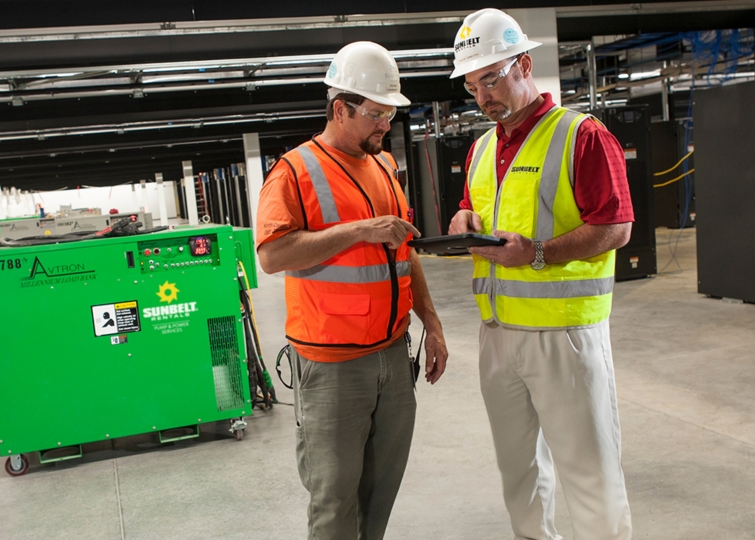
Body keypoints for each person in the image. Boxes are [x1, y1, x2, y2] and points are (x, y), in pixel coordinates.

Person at [446, 9, 634, 540]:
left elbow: (616, 227)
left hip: (565, 335)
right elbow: (472, 208)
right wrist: (464, 221)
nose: (483, 96)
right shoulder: (482, 147)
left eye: (492, 78)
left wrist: (538, 253)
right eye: (473, 85)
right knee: (519, 474)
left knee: (589, 473)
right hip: (498, 333)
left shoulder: (582, 135)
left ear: (524, 65)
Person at [255, 41, 448, 540]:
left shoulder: (384, 167)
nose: (386, 125)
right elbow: (273, 256)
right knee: (334, 497)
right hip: (331, 367)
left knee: (380, 490)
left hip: (391, 355)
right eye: (376, 114)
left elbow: (405, 251)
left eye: (389, 114)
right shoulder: (293, 172)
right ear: (341, 109)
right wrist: (361, 231)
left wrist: (433, 322)